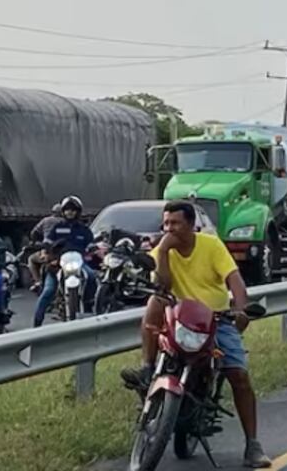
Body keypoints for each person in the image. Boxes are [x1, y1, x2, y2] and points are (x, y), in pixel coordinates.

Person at [121, 201, 271, 468]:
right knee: (156, 300)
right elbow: (163, 284)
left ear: (191, 225)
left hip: (215, 319)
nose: (170, 228)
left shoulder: (211, 246)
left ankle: (253, 444)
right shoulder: (162, 249)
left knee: (239, 376)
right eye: (166, 223)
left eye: (176, 223)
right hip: (177, 317)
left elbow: (235, 281)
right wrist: (164, 251)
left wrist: (240, 309)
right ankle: (147, 368)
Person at [32, 196, 96, 328]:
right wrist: (45, 253)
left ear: (78, 212)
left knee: (91, 276)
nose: (70, 212)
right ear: (63, 212)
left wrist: (95, 250)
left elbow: (91, 245)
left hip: (79, 262)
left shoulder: (84, 230)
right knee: (48, 291)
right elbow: (47, 243)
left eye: (73, 210)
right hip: (57, 263)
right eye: (67, 210)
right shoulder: (57, 228)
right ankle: (36, 324)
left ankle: (89, 307)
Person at [27, 204, 63, 293]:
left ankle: (38, 281)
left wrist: (34, 242)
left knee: (31, 259)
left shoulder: (46, 220)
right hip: (64, 253)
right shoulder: (67, 222)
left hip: (49, 252)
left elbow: (34, 233)